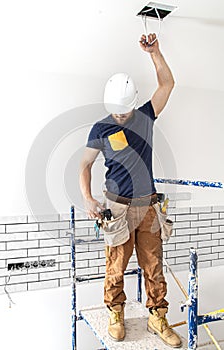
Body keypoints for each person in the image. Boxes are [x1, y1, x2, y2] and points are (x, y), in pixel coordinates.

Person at [79, 33, 182, 348]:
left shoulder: (146, 117)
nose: (120, 116)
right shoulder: (101, 129)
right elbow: (84, 165)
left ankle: (157, 316)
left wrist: (155, 53)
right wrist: (88, 198)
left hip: (148, 206)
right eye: (116, 111)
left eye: (124, 111)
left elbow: (167, 85)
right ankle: (116, 312)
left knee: (154, 264)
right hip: (117, 208)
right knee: (116, 264)